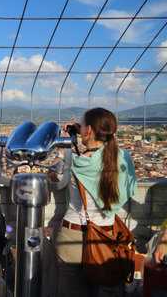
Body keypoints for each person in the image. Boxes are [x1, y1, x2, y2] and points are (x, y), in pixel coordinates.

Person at [48, 107, 137, 296]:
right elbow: (102, 157)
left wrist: (63, 151)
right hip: (107, 238)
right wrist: (83, 130)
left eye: (83, 127)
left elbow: (52, 177)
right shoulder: (123, 158)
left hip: (73, 237)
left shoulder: (73, 162)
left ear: (88, 130)